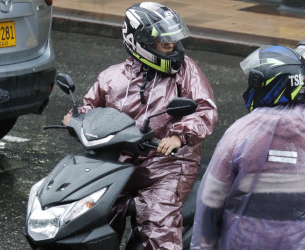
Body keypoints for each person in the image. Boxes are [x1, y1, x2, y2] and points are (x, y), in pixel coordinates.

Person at [63, 2, 217, 249]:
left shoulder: (186, 70)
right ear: (139, 41)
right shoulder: (112, 76)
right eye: (162, 40)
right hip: (117, 162)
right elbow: (89, 106)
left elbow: (204, 109)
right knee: (90, 216)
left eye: (173, 38)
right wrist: (76, 116)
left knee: (158, 223)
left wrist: (178, 136)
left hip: (169, 164)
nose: (171, 44)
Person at [190, 45, 305, 250]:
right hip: (302, 240)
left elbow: (212, 196)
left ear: (264, 85)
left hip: (246, 238)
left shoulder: (242, 131)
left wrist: (206, 242)